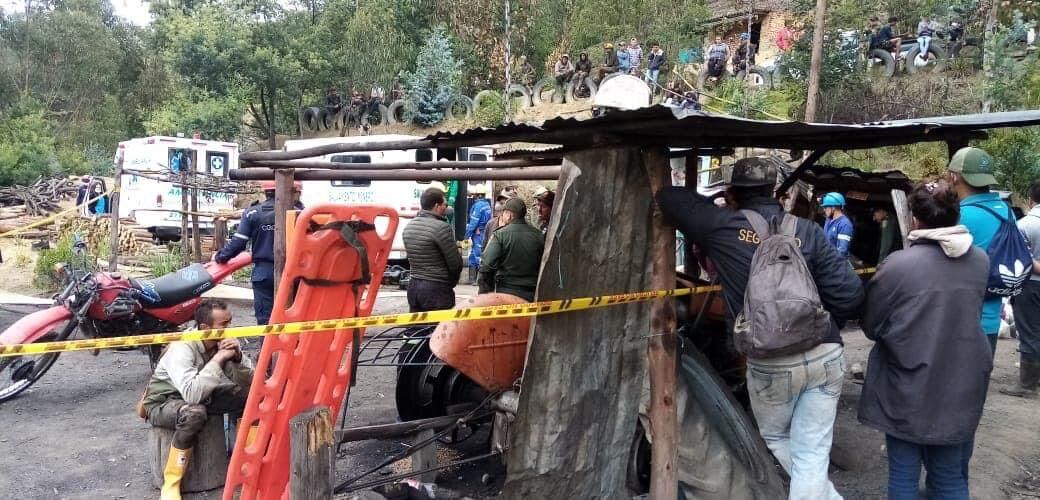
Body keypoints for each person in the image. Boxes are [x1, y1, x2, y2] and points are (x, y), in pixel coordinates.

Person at [655, 157, 864, 500]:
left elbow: (670, 198)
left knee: (782, 440)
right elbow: (851, 295)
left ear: (735, 193)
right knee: (811, 451)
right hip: (825, 352)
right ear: (776, 193)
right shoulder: (808, 230)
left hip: (769, 361)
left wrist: (717, 203)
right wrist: (822, 324)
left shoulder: (721, 227)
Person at [860, 181, 992, 500]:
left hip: (907, 384)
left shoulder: (899, 264)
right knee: (948, 477)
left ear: (915, 219)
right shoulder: (979, 261)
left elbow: (871, 324)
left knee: (904, 474)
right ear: (956, 214)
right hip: (962, 383)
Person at [141, 300, 253, 500]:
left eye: (230, 322)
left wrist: (237, 358)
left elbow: (249, 383)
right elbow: (192, 395)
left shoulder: (220, 342)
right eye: (224, 324)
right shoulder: (182, 349)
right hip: (164, 402)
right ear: (204, 328)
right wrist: (218, 359)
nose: (230, 329)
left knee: (251, 398)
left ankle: (246, 465)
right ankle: (172, 481)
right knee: (194, 413)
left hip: (201, 395)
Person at [947, 146, 1012, 357]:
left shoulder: (962, 216)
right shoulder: (1006, 211)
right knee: (977, 384)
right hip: (991, 322)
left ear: (954, 177)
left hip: (960, 323)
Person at [215, 180, 303, 325]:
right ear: (294, 192)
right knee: (294, 320)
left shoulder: (252, 213)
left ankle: (267, 347)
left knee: (266, 321)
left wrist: (221, 257)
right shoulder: (302, 214)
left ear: (265, 192)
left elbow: (238, 243)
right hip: (296, 273)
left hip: (264, 274)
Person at [1003, 182, 1040, 398]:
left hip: (1030, 285)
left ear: (1030, 200)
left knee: (1029, 332)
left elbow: (1019, 258)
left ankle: (1027, 385)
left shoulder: (1024, 224)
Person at [403, 188, 463, 312]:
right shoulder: (441, 228)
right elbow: (455, 264)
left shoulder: (409, 227)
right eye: (445, 205)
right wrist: (450, 283)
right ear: (436, 206)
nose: (447, 208)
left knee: (416, 329)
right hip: (437, 289)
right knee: (438, 329)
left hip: (413, 286)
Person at [478, 198, 544, 301]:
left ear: (509, 215)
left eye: (503, 213)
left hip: (507, 292)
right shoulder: (538, 235)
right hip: (533, 292)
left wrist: (486, 291)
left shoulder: (500, 235)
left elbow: (486, 265)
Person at [464, 185, 492, 285]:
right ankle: (473, 279)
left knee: (477, 255)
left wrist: (466, 237)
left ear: (476, 195)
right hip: (482, 231)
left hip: (479, 233)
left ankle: (477, 280)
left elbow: (473, 222)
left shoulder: (479, 205)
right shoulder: (487, 204)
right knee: (475, 254)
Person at [821, 192, 854, 258]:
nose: (824, 210)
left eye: (825, 207)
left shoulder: (845, 224)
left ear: (833, 208)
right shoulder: (828, 220)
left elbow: (841, 252)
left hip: (834, 264)